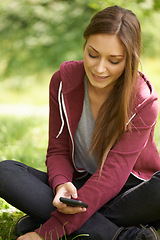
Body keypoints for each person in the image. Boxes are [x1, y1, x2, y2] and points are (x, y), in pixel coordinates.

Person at [0, 5, 160, 240]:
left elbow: (113, 175)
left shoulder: (144, 100)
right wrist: (61, 184)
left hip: (127, 189)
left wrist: (48, 231)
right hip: (78, 186)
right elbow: (58, 150)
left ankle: (49, 219)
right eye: (93, 54)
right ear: (84, 45)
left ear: (129, 60)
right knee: (6, 171)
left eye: (114, 60)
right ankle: (121, 235)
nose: (99, 68)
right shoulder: (62, 82)